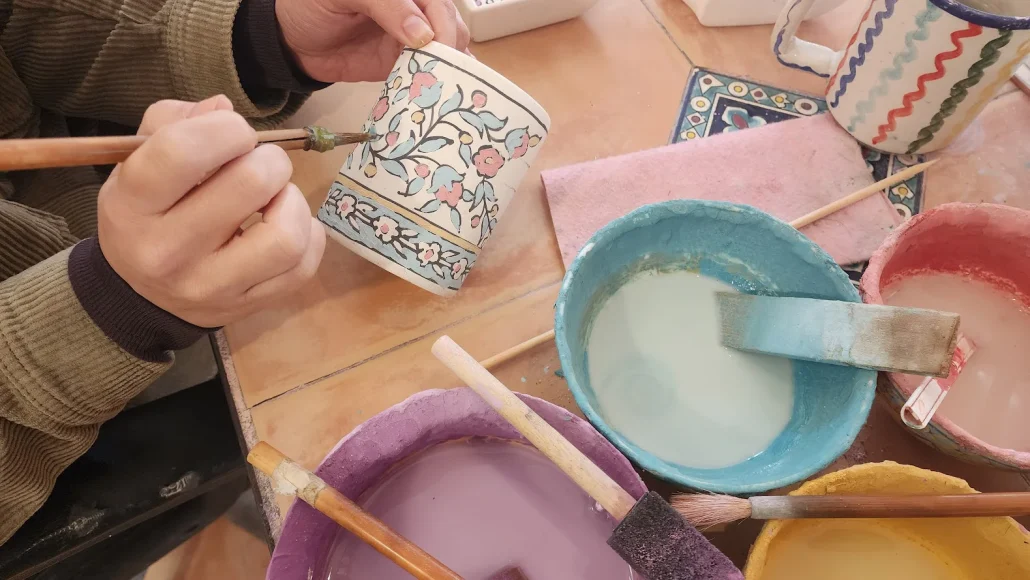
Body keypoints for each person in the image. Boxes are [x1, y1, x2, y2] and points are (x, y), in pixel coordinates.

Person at [0, 0, 469, 544]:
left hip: (121, 223)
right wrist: (109, 307)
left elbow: (17, 31)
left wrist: (260, 40)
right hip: (61, 417)